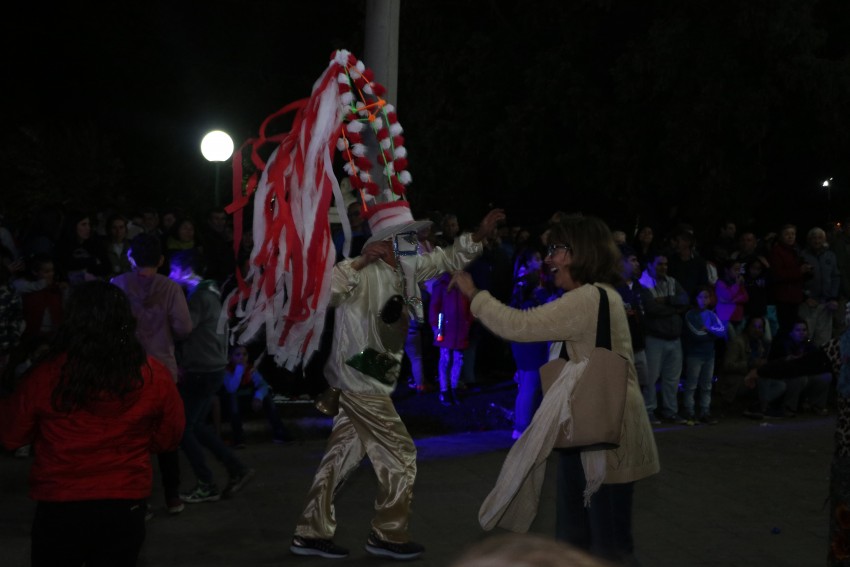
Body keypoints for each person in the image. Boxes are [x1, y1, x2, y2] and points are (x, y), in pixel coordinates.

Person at [289, 206, 504, 561]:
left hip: (371, 375)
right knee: (401, 454)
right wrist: (360, 261)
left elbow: (446, 258)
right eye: (409, 236)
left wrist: (479, 235)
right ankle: (387, 533)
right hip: (359, 378)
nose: (417, 242)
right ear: (387, 242)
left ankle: (310, 533)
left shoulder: (406, 268)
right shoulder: (362, 271)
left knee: (339, 460)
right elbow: (323, 293)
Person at [453, 215, 660, 565]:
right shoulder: (598, 296)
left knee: (607, 550)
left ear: (580, 252)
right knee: (581, 543)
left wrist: (474, 294)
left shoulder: (589, 298)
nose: (548, 260)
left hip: (603, 440)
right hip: (589, 432)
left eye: (556, 250)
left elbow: (518, 325)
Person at [0, 281, 185, 567]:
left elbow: (11, 435)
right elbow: (168, 437)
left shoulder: (45, 375)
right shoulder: (152, 375)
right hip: (124, 499)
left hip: (60, 502)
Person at [744, 308, 850, 567]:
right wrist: (764, 371)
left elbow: (800, 365)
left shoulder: (841, 347)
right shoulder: (841, 348)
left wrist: (762, 371)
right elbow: (800, 365)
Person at [111, 233, 193, 515]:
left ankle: (137, 498)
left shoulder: (118, 284)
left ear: (131, 257)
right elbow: (184, 328)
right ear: (160, 260)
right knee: (166, 434)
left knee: (133, 436)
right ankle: (172, 496)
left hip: (127, 369)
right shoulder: (170, 288)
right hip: (162, 370)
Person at [169, 249, 255, 504]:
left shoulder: (199, 297)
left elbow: (183, 329)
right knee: (195, 425)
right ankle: (236, 468)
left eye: (174, 270)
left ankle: (207, 482)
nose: (171, 275)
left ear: (185, 270)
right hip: (212, 367)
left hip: (202, 369)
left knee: (183, 428)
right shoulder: (211, 292)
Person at [507, 246, 554, 438]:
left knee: (526, 384)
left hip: (524, 344)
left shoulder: (523, 286)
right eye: (536, 258)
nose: (541, 261)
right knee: (530, 386)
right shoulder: (529, 287)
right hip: (532, 345)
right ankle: (523, 428)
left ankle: (521, 426)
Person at [221, 344, 296, 446]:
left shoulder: (251, 370)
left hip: (249, 403)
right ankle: (238, 436)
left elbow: (263, 385)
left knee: (267, 397)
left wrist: (258, 397)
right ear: (230, 357)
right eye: (237, 355)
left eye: (244, 354)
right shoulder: (226, 371)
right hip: (232, 406)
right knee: (232, 398)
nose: (241, 357)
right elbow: (231, 388)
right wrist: (239, 370)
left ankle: (279, 432)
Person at [681, 285, 726, 424]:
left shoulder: (711, 315)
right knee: (691, 384)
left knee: (707, 385)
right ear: (695, 298)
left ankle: (705, 411)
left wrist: (709, 329)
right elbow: (696, 335)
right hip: (694, 355)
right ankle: (689, 411)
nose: (704, 300)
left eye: (706, 297)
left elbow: (722, 331)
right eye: (701, 297)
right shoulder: (690, 315)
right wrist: (712, 334)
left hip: (709, 355)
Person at [429, 271, 473, 406]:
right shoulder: (441, 284)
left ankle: (453, 388)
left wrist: (468, 322)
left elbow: (470, 306)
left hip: (460, 329)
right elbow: (434, 306)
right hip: (445, 329)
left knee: (458, 360)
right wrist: (435, 326)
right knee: (446, 359)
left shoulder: (465, 283)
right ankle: (444, 389)